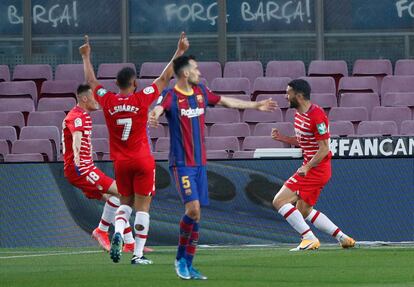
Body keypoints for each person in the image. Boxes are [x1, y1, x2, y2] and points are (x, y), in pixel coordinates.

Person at [149, 55, 277, 280]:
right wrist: (153, 115)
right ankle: (180, 258)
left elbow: (227, 101)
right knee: (193, 210)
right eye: (196, 69)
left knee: (197, 216)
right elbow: (158, 108)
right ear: (185, 74)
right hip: (181, 164)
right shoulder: (171, 96)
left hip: (200, 164)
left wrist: (255, 105)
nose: (200, 73)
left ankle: (189, 264)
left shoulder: (201, 93)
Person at [80, 33, 189, 265]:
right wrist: (179, 52)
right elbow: (165, 77)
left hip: (120, 162)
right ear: (134, 83)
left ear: (117, 85)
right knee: (143, 208)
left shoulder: (107, 100)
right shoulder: (141, 98)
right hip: (142, 159)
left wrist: (86, 57)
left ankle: (118, 231)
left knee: (124, 203)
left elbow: (91, 82)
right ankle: (138, 254)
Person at [271, 79, 355, 251]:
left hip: (316, 170)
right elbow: (305, 141)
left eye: (288, 93)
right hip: (312, 168)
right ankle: (343, 238)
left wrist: (308, 167)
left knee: (279, 201)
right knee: (304, 210)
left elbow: (324, 149)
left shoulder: (317, 116)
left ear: (299, 96)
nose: (285, 96)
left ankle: (309, 238)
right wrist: (283, 139)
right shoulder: (298, 114)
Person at [62, 84, 135, 253]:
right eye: (95, 98)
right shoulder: (77, 116)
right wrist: (80, 164)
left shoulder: (83, 115)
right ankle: (101, 230)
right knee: (123, 193)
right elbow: (77, 140)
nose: (98, 102)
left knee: (117, 199)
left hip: (86, 167)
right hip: (81, 169)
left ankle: (130, 243)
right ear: (85, 98)